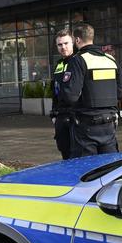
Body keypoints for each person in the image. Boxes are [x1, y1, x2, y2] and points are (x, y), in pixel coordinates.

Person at [55, 23, 122, 157]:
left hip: (86, 126)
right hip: (109, 125)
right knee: (109, 166)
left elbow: (71, 96)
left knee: (87, 170)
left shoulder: (78, 60)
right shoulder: (110, 59)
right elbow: (121, 92)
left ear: (77, 40)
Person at [49, 29, 77, 159]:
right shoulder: (59, 65)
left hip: (77, 116)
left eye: (66, 43)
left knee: (77, 154)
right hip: (61, 117)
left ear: (74, 43)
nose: (63, 47)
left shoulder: (79, 62)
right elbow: (55, 90)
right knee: (64, 151)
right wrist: (54, 114)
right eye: (60, 45)